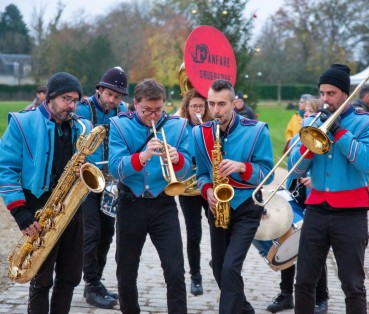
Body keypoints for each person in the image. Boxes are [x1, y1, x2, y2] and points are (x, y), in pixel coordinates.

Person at [289, 64, 369, 313]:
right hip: (317, 210)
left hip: (351, 213)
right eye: (322, 93)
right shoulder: (311, 122)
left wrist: (339, 131)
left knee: (353, 284)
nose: (325, 99)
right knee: (304, 280)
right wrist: (308, 143)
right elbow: (295, 172)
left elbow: (365, 162)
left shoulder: (368, 123)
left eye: (330, 94)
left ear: (345, 94)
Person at [0, 72, 92, 313]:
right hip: (38, 207)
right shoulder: (22, 122)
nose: (71, 106)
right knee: (41, 280)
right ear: (50, 97)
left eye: (75, 100)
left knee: (70, 276)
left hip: (71, 208)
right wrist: (20, 212)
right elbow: (5, 169)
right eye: (66, 99)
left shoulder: (79, 126)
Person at [108, 79, 191, 313]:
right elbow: (116, 169)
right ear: (135, 104)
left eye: (158, 110)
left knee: (175, 270)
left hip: (163, 203)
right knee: (126, 270)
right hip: (130, 202)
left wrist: (178, 159)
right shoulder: (119, 125)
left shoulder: (179, 127)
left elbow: (187, 172)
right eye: (146, 111)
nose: (153, 116)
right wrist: (143, 156)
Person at [192, 79, 274, 313]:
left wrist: (242, 167)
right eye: (211, 104)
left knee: (230, 268)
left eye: (222, 104)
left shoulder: (257, 130)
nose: (215, 110)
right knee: (219, 269)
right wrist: (207, 191)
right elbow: (201, 174)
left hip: (248, 206)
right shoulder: (200, 134)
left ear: (234, 103)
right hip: (216, 207)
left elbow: (267, 175)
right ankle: (245, 309)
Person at [267, 98, 329, 314]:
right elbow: (291, 164)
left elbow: (326, 167)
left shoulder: (326, 138)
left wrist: (315, 179)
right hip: (293, 196)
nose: (307, 117)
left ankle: (321, 297)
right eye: (306, 114)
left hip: (314, 199)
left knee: (314, 252)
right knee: (287, 243)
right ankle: (286, 295)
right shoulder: (296, 137)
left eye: (313, 114)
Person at [75, 66, 129, 308]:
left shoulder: (123, 111)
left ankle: (96, 282)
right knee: (91, 232)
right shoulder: (83, 108)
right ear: (99, 90)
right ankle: (91, 283)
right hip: (85, 179)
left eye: (117, 97)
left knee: (107, 232)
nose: (113, 101)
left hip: (110, 182)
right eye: (109, 94)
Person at [178, 88, 212, 296]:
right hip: (188, 188)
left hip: (208, 185)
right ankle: (195, 276)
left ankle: (218, 263)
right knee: (194, 235)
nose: (198, 109)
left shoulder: (210, 127)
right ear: (187, 108)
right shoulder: (180, 128)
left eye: (201, 106)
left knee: (218, 228)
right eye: (194, 106)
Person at [352, 84, 369, 239]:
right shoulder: (359, 111)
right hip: (358, 160)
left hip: (361, 159)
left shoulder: (362, 109)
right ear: (367, 96)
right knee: (362, 194)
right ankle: (361, 229)